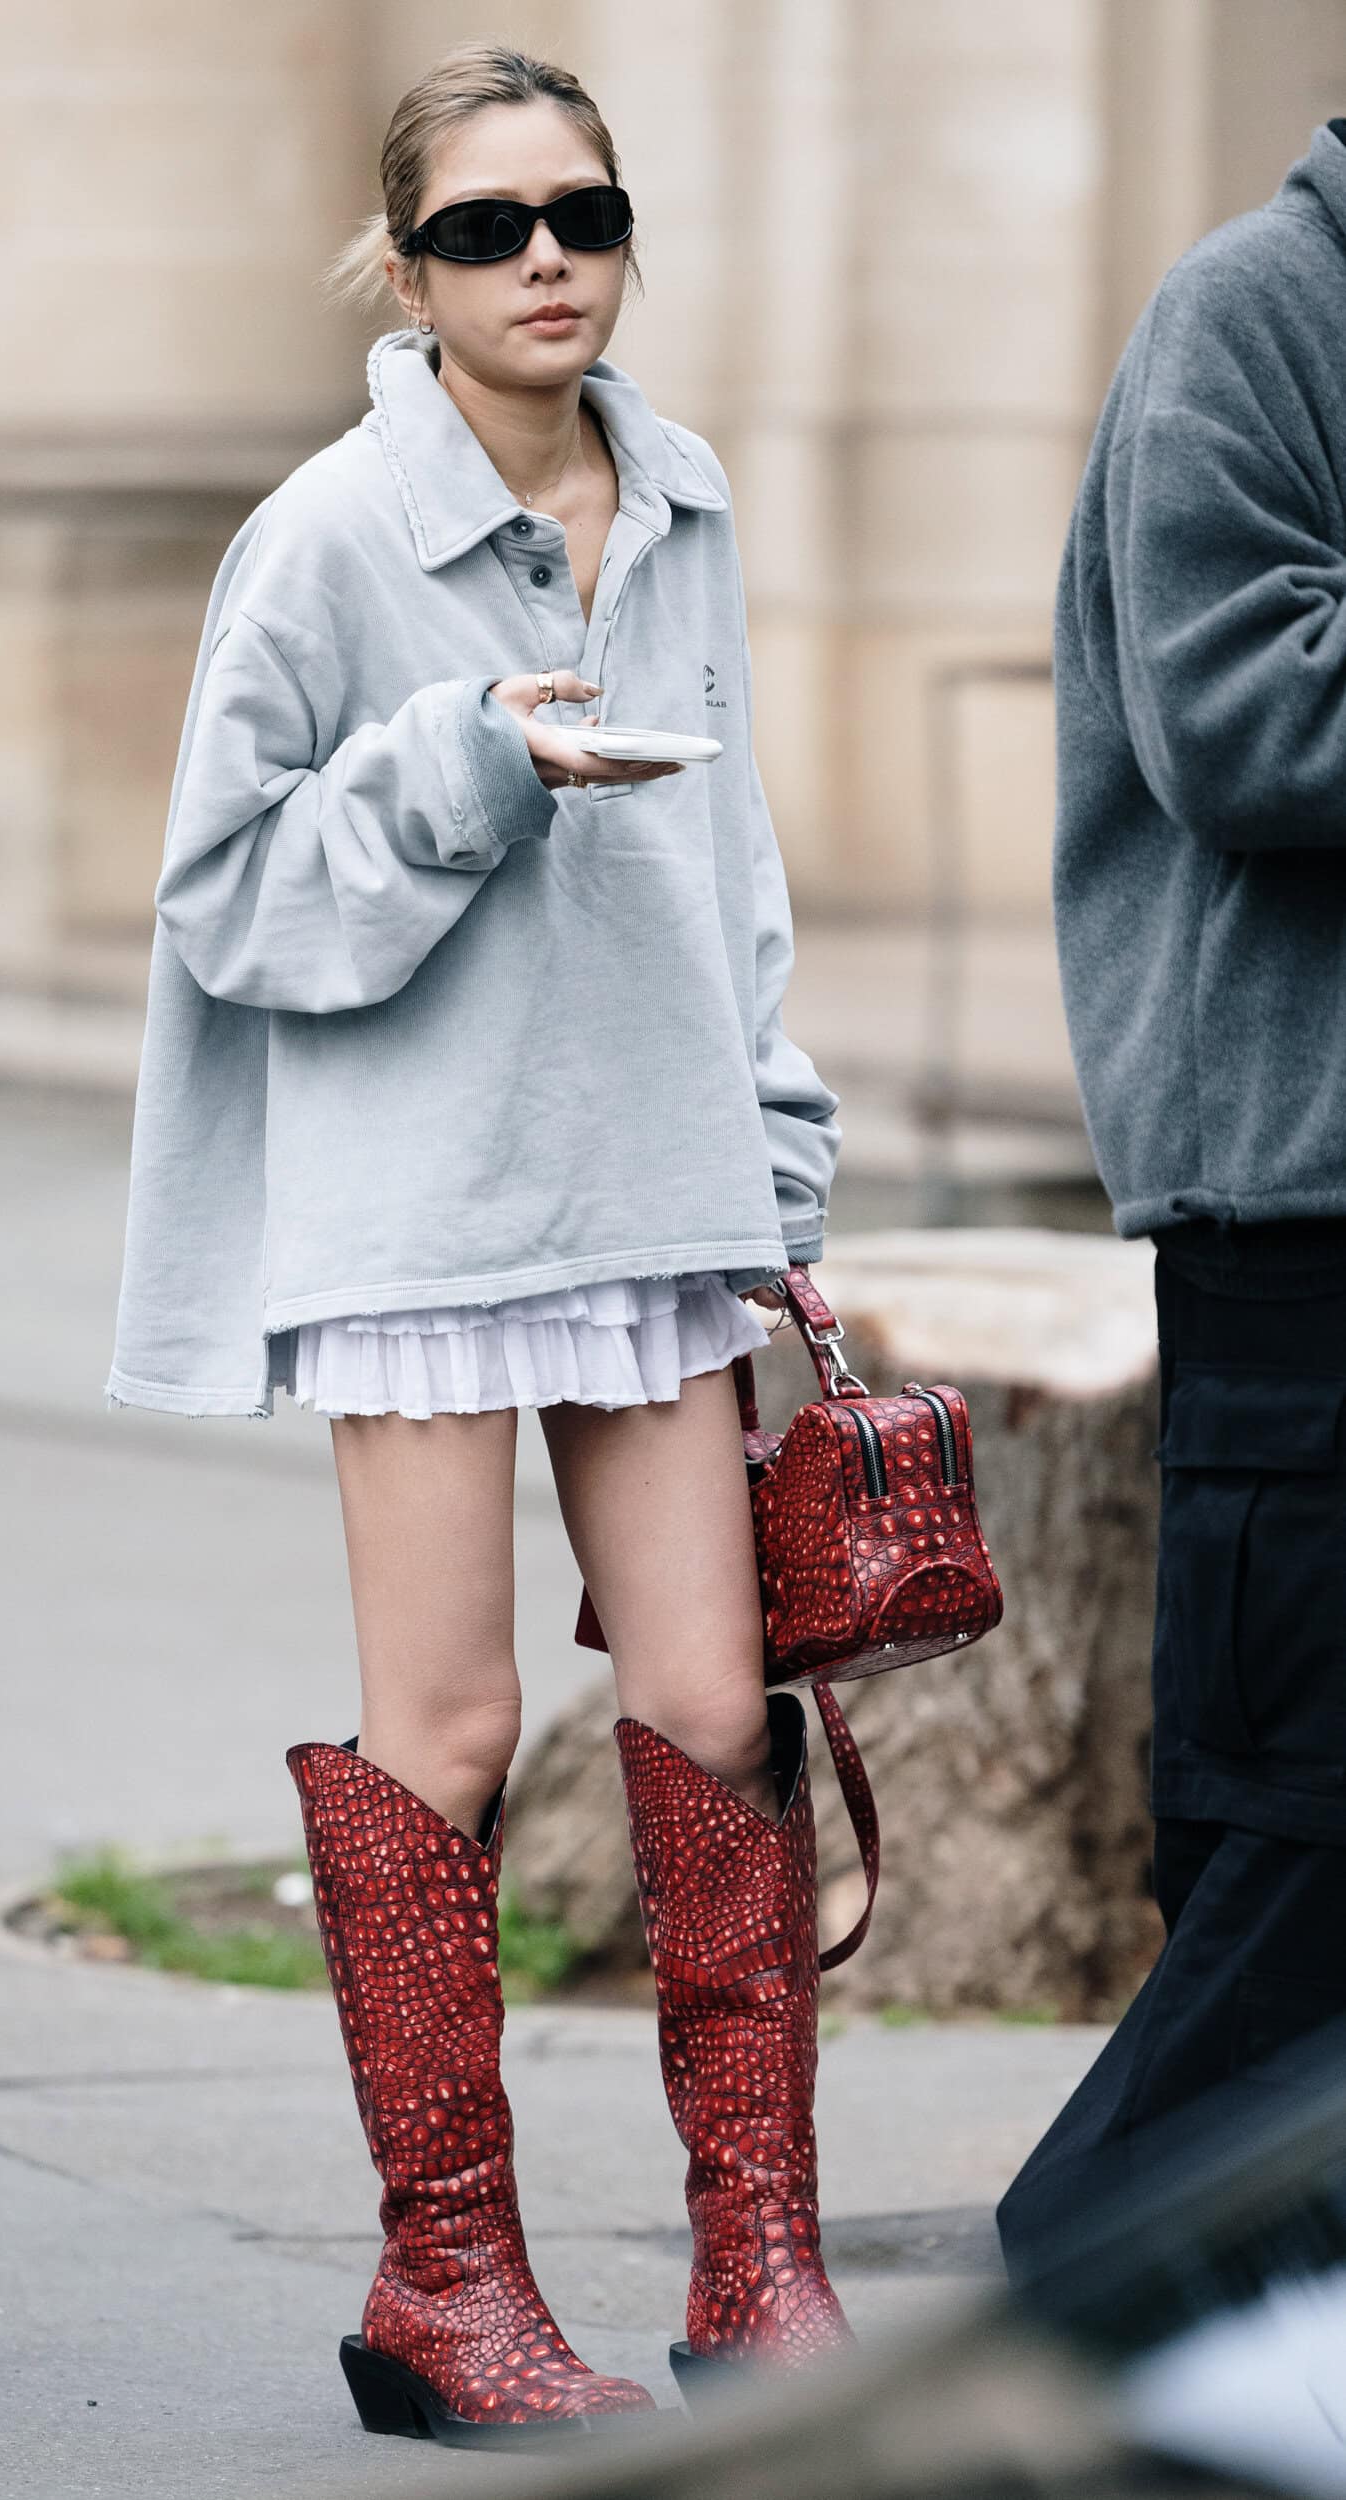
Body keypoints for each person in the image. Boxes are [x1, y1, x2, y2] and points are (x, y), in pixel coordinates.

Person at [106, 42, 847, 2446]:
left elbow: (730, 886)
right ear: (399, 266)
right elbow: (226, 900)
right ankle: (448, 2281)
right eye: (484, 227)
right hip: (422, 1202)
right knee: (445, 1729)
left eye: (586, 215)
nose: (547, 260)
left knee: (718, 1708)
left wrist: (779, 1166)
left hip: (647, 1190)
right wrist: (463, 765)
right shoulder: (327, 535)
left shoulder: (691, 494)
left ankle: (761, 2256)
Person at [997, 120, 1346, 2274]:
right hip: (1304, 1219)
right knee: (1306, 1825)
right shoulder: (1255, 310)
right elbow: (1247, 721)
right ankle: (1083, 2293)